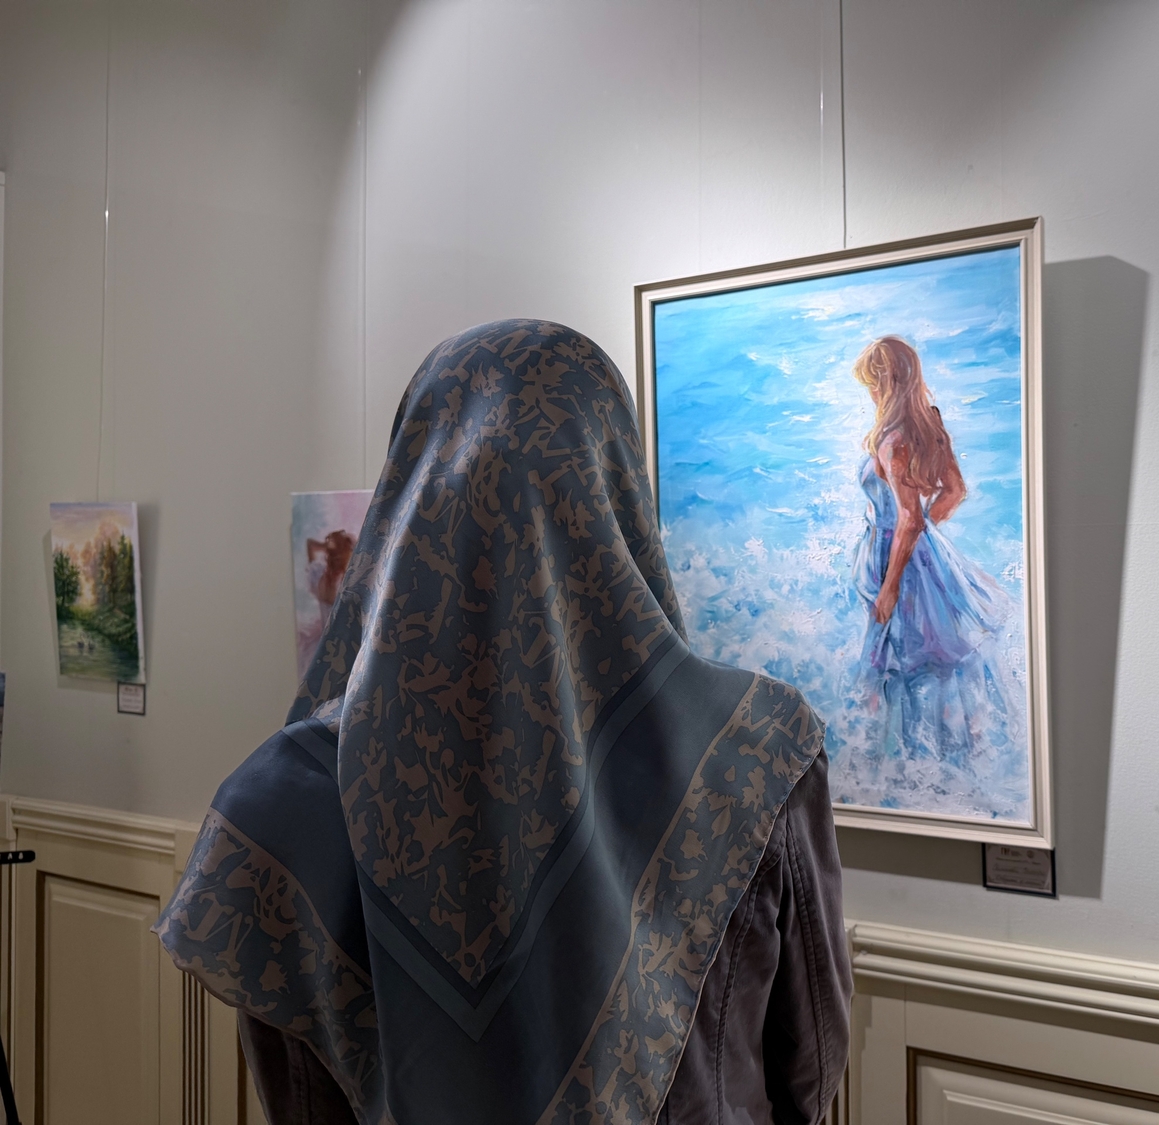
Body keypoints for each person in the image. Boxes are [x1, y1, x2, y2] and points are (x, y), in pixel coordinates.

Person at [154, 320, 851, 1125]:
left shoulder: (279, 804)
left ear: (407, 498)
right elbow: (810, 1069)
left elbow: (299, 1106)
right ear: (616, 491)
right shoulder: (757, 751)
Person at [849, 335, 1024, 765]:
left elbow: (908, 517)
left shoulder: (892, 440)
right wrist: (927, 540)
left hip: (896, 560)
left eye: (873, 383)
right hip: (921, 556)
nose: (870, 393)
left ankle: (893, 763)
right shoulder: (928, 424)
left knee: (894, 663)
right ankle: (946, 756)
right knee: (932, 660)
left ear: (888, 383)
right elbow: (954, 492)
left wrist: (891, 585)